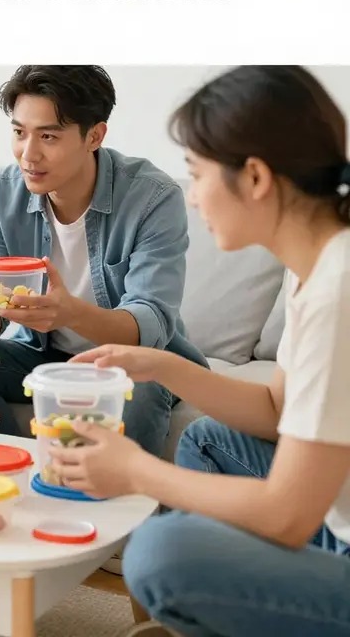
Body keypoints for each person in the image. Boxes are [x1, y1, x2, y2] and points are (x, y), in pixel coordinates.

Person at [53, 66, 350, 637]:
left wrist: (137, 470)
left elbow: (288, 517)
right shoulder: (312, 264)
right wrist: (158, 363)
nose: (192, 196)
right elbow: (276, 410)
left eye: (197, 174)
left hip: (325, 527)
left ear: (256, 177)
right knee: (208, 440)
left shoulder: (338, 289)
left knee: (161, 553)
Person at [0, 65, 207, 454]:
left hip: (136, 360)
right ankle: (18, 475)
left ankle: (126, 510)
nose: (29, 154)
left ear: (94, 136)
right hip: (42, 354)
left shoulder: (152, 197)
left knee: (137, 392)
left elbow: (151, 323)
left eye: (49, 136)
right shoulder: (0, 195)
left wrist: (68, 312)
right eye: (19, 133)